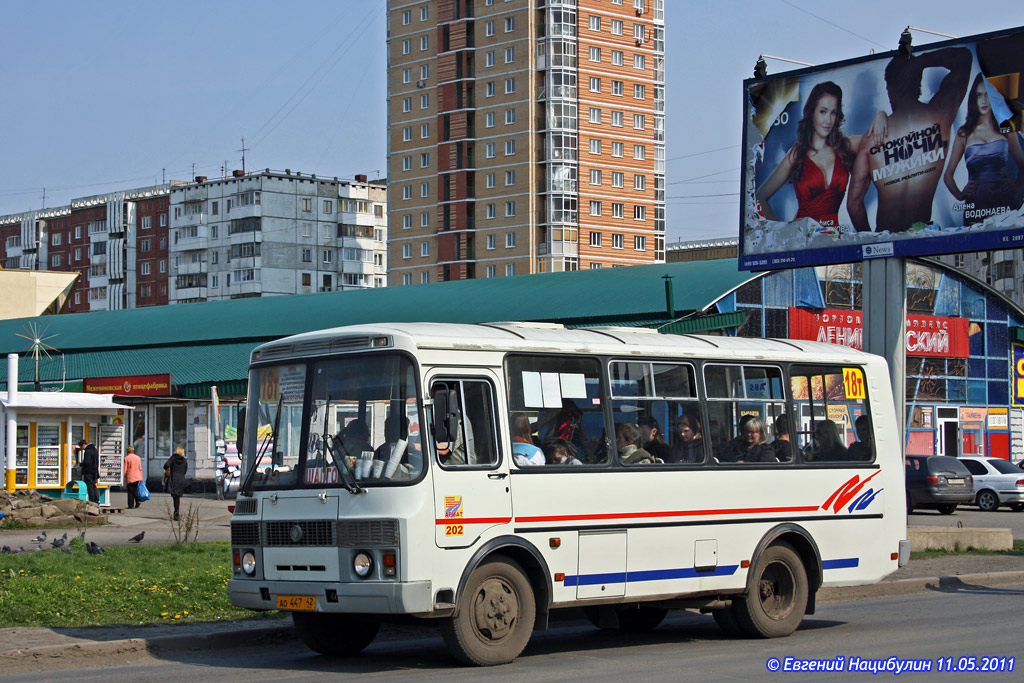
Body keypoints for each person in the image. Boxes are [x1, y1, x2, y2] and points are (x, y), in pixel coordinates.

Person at [848, 46, 972, 232]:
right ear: (918, 81)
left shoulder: (871, 140)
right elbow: (964, 57)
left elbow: (854, 204)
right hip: (921, 235)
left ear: (889, 88)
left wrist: (871, 243)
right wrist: (920, 62)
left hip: (886, 235)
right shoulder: (940, 114)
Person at [756, 81, 887, 230]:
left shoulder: (846, 145)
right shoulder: (797, 153)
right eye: (823, 111)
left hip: (834, 239)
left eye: (833, 113)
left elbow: (872, 140)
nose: (828, 120)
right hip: (803, 241)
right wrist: (783, 234)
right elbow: (761, 196)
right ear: (812, 113)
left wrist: (880, 115)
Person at [943, 73, 1024, 224]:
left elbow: (1023, 164)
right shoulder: (964, 133)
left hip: (1004, 205)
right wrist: (960, 195)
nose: (983, 101)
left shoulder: (1005, 128)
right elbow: (948, 175)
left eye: (987, 95)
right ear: (973, 99)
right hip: (975, 205)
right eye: (979, 95)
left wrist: (1016, 186)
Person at [164, 446, 188, 521]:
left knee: (175, 497)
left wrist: (170, 469)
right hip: (181, 479)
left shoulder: (173, 458)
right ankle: (176, 512)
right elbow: (185, 470)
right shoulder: (184, 460)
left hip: (174, 478)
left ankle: (176, 513)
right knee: (177, 496)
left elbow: (165, 465)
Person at [76, 438, 100, 504]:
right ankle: (97, 500)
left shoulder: (88, 451)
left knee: (90, 486)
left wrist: (81, 464)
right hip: (95, 471)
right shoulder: (95, 450)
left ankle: (92, 500)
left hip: (89, 471)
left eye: (81, 447)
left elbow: (87, 462)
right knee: (94, 485)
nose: (82, 449)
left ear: (83, 445)